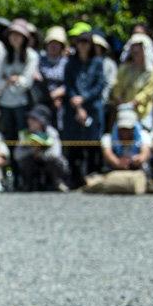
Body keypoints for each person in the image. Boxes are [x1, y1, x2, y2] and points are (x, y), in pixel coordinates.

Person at [63, 28, 106, 188]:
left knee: (92, 143)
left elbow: (100, 85)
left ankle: (92, 178)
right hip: (73, 108)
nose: (83, 45)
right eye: (80, 42)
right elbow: (68, 84)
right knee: (74, 144)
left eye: (86, 42)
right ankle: (75, 179)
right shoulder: (70, 63)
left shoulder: (98, 62)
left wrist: (84, 98)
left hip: (93, 107)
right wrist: (76, 100)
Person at [82, 106, 151, 194]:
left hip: (139, 171)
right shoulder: (107, 138)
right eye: (122, 129)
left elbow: (145, 154)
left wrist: (137, 160)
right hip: (114, 171)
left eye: (128, 129)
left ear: (134, 128)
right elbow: (109, 155)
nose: (125, 132)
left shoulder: (144, 136)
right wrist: (118, 162)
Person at [0, 19, 39, 146]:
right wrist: (12, 80)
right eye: (12, 34)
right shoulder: (4, 55)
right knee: (8, 136)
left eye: (18, 34)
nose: (15, 37)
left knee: (23, 136)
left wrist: (12, 80)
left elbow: (27, 82)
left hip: (22, 103)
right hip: (5, 102)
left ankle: (23, 163)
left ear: (24, 37)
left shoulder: (31, 55)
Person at [12, 104, 69, 192]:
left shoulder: (51, 133)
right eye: (29, 118)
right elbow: (17, 155)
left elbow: (56, 153)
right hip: (33, 162)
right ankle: (28, 184)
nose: (29, 121)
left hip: (48, 161)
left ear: (42, 121)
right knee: (25, 161)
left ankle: (58, 182)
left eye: (34, 119)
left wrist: (41, 152)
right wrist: (32, 150)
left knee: (57, 162)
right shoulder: (25, 134)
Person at [112, 33, 153, 129]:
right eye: (134, 47)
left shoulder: (151, 71)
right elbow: (117, 86)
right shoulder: (124, 69)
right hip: (123, 112)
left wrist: (134, 103)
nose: (136, 50)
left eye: (139, 48)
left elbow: (148, 92)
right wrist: (121, 102)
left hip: (142, 114)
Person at [37, 26, 69, 127]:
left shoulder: (67, 63)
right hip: (41, 102)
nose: (53, 46)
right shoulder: (39, 60)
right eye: (51, 43)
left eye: (57, 44)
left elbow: (70, 83)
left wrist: (56, 95)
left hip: (62, 104)